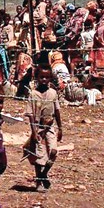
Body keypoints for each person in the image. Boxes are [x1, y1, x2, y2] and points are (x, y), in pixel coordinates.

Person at [24, 64, 63, 192]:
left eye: (47, 77)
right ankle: (38, 181)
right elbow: (30, 115)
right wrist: (34, 132)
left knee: (53, 151)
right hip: (38, 127)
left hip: (50, 126)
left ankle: (43, 174)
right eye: (42, 77)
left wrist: (60, 128)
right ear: (37, 78)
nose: (44, 80)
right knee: (39, 155)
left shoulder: (52, 93)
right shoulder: (33, 94)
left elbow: (57, 111)